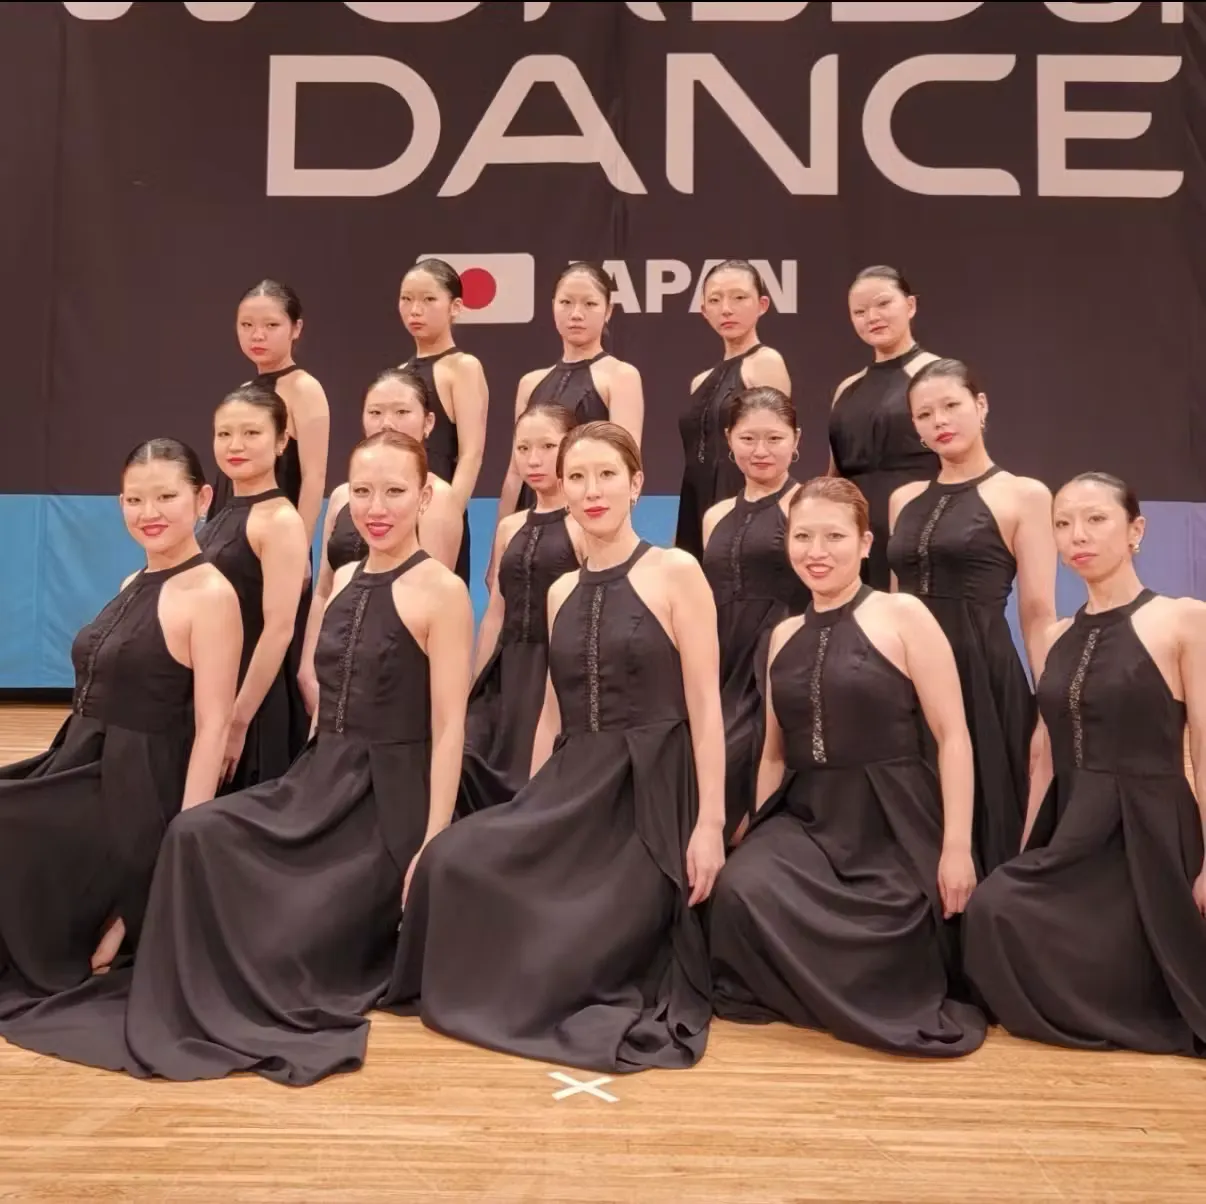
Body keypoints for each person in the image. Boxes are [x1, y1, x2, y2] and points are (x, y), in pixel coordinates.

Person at [0, 433, 475, 1086]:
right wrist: (300, 786)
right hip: (321, 778)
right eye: (363, 492)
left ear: (424, 497)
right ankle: (147, 944)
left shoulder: (443, 592)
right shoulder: (345, 580)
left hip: (387, 803)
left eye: (394, 491)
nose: (376, 507)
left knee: (267, 912)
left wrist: (432, 841)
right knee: (200, 831)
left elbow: (450, 726)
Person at [384, 421, 727, 1074]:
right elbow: (550, 715)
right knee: (451, 860)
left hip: (649, 800)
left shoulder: (676, 571)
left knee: (570, 942)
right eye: (577, 477)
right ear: (561, 489)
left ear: (636, 484)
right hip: (571, 786)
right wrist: (530, 812)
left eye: (606, 475)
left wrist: (709, 823)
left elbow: (706, 709)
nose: (592, 491)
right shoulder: (559, 590)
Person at [708, 476, 986, 1058]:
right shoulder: (781, 635)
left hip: (892, 816)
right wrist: (752, 830)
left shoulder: (903, 613)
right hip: (808, 817)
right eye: (803, 536)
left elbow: (954, 736)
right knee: (740, 889)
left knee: (899, 925)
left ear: (864, 543)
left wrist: (957, 847)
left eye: (833, 536)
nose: (816, 551)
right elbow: (774, 754)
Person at [0, 439, 241, 1032]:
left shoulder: (212, 595)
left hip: (133, 788)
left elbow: (213, 725)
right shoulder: (135, 577)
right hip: (79, 758)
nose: (147, 512)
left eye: (165, 497)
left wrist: (183, 841)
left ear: (202, 499)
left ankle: (103, 919)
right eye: (134, 499)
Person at [963, 473, 1206, 1057]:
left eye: (1096, 519)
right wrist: (1026, 850)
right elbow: (1046, 755)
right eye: (1064, 523)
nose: (1078, 535)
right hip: (1073, 828)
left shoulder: (1184, 619)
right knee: (995, 907)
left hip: (1149, 833)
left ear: (1136, 530)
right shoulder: (1056, 635)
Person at [887, 359, 1056, 874]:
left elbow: (1037, 612)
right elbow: (892, 603)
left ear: (980, 406)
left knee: (984, 824)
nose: (939, 421)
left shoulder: (1025, 494)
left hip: (980, 672)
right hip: (903, 677)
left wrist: (1048, 709)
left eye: (951, 405)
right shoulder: (903, 499)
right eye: (924, 414)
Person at [298, 367, 465, 714]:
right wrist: (308, 669)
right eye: (375, 412)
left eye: (402, 412)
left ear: (428, 423)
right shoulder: (342, 497)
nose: (387, 422)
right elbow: (324, 590)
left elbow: (430, 605)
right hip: (334, 665)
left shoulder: (439, 498)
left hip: (394, 679)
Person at [699, 386, 811, 844]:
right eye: (748, 439)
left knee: (740, 764)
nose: (760, 451)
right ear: (729, 439)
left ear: (796, 439)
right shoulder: (714, 516)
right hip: (721, 663)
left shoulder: (808, 505)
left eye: (774, 438)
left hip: (779, 665)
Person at [465, 402, 584, 808]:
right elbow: (495, 613)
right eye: (523, 448)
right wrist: (474, 682)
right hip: (507, 672)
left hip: (557, 675)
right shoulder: (508, 527)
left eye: (547, 447)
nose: (533, 460)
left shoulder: (585, 523)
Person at [201, 384, 311, 789]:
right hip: (214, 686)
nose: (235, 445)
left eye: (251, 433)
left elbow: (279, 630)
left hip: (252, 699)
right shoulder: (223, 513)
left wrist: (237, 721)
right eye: (224, 433)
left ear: (281, 441)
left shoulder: (280, 521)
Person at [494, 262, 644, 529]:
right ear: (553, 306)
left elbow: (625, 466)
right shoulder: (530, 383)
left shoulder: (620, 376)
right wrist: (499, 545)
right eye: (566, 302)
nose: (576, 314)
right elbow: (515, 472)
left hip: (587, 523)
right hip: (530, 518)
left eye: (589, 304)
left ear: (608, 310)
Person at [829, 265, 941, 590]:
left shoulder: (938, 375)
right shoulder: (847, 389)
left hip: (919, 531)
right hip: (856, 539)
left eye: (883, 304)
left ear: (910, 305)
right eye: (859, 311)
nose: (872, 317)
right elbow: (836, 475)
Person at [675, 260, 791, 561]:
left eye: (739, 297)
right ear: (704, 310)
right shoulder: (699, 381)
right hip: (695, 500)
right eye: (715, 300)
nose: (726, 309)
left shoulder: (766, 362)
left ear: (762, 305)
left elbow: (776, 443)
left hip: (745, 499)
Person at [209, 279, 331, 550]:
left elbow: (314, 477)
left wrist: (298, 549)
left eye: (271, 325)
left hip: (275, 537)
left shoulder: (304, 389)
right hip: (229, 527)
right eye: (246, 325)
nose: (257, 335)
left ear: (296, 328)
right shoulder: (243, 392)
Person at [399, 258, 490, 587]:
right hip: (396, 513)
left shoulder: (462, 368)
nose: (415, 310)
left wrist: (448, 515)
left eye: (428, 299)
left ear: (456, 307)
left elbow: (471, 454)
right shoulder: (399, 373)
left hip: (438, 512)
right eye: (406, 299)